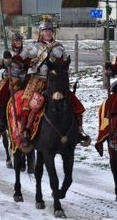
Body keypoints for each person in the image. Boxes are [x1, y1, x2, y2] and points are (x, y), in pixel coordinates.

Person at [18, 17, 90, 150]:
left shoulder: (59, 48)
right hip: (38, 79)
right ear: (40, 32)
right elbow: (24, 56)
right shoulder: (35, 47)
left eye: (50, 31)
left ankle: (78, 130)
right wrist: (16, 59)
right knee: (31, 104)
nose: (48, 33)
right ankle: (26, 131)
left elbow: (65, 63)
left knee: (74, 103)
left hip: (56, 81)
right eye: (45, 31)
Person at [0, 31, 29, 127]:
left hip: (22, 78)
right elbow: (0, 64)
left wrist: (24, 65)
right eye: (16, 41)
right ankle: (0, 117)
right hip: (9, 77)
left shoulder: (26, 52)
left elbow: (29, 64)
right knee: (2, 94)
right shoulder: (6, 52)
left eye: (19, 40)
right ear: (12, 41)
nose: (18, 42)